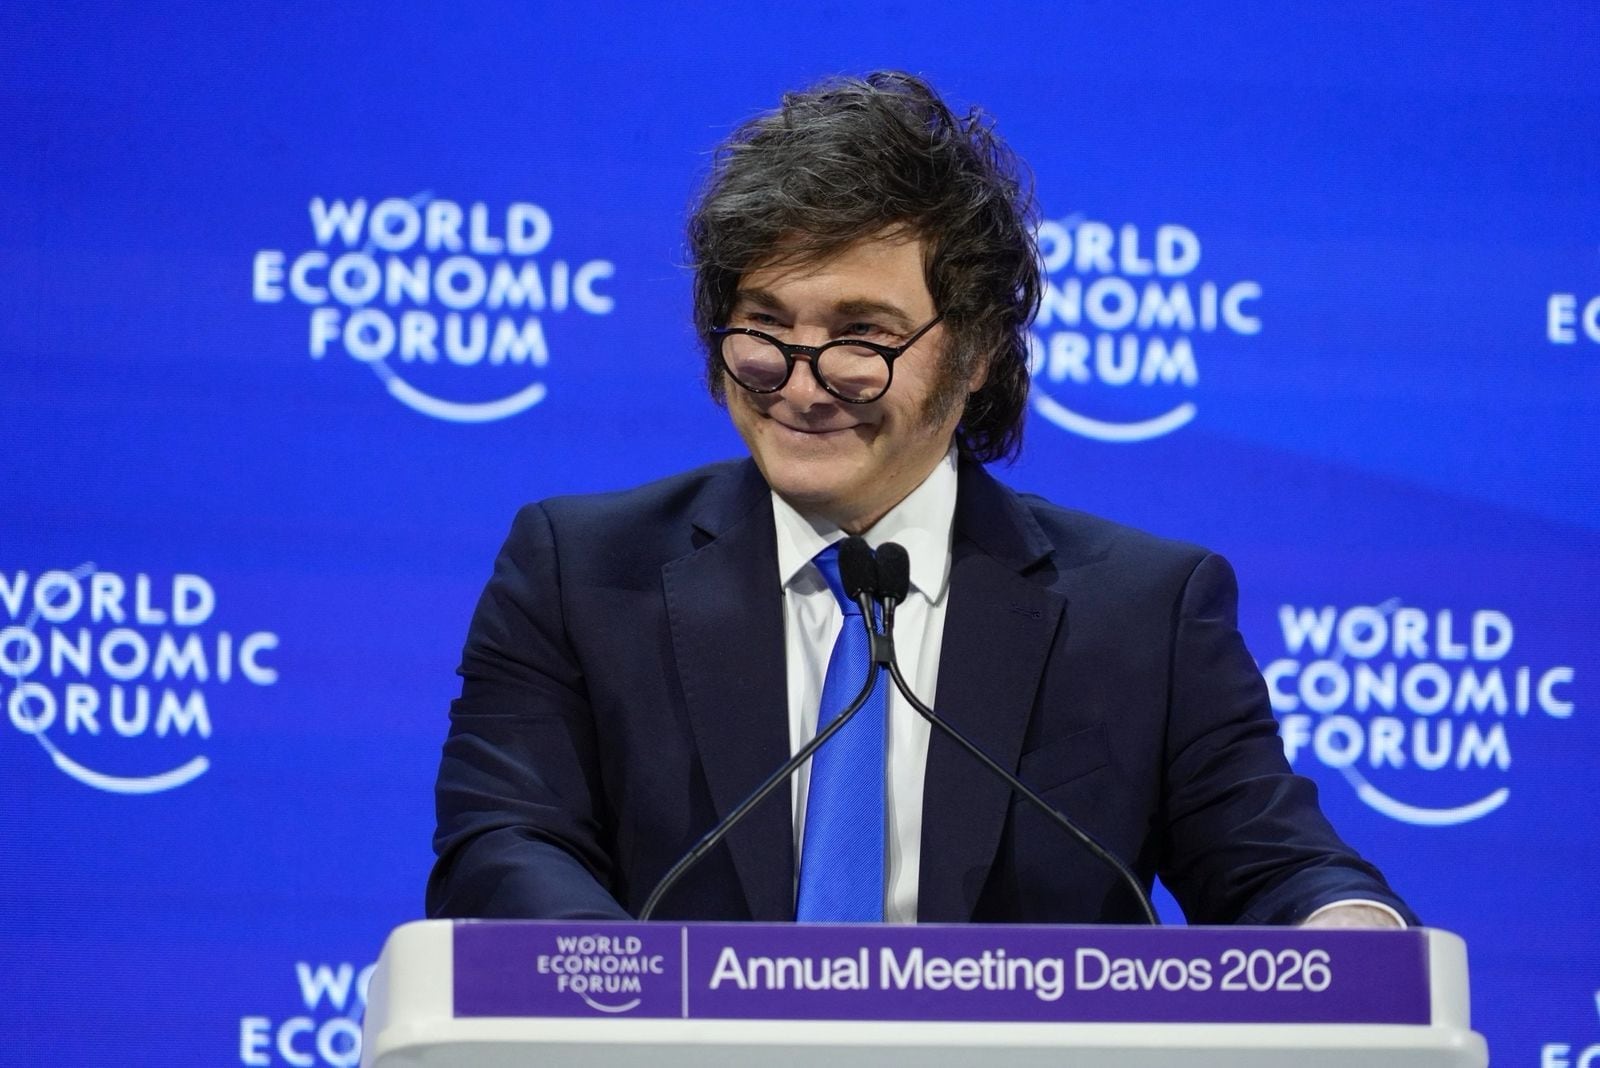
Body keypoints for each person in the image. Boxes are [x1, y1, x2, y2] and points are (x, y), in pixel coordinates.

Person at [427, 71, 1411, 928]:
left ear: (974, 352)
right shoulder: (581, 573)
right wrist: (647, 996)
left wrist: (1348, 928)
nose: (803, 384)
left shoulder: (1144, 613)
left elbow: (1279, 867)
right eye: (765, 328)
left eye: (862, 338)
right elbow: (503, 845)